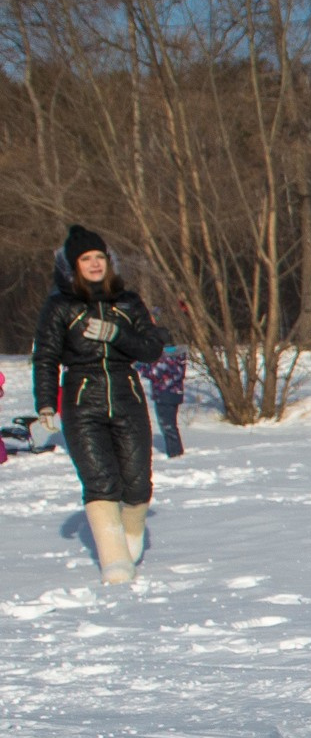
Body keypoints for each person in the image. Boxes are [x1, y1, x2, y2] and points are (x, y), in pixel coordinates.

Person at [32, 225, 164, 584]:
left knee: (137, 484)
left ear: (109, 262)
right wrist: (45, 403)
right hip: (81, 400)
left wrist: (117, 334)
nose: (93, 265)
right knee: (100, 481)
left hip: (127, 396)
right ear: (72, 267)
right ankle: (114, 559)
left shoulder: (128, 302)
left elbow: (152, 348)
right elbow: (45, 357)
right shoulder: (60, 306)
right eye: (85, 259)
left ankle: (131, 535)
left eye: (99, 258)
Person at [143, 342, 188, 457]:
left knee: (167, 425)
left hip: (164, 395)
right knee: (171, 423)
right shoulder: (178, 355)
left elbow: (154, 373)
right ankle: (176, 450)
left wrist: (140, 367)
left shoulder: (164, 358)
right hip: (175, 394)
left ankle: (175, 452)